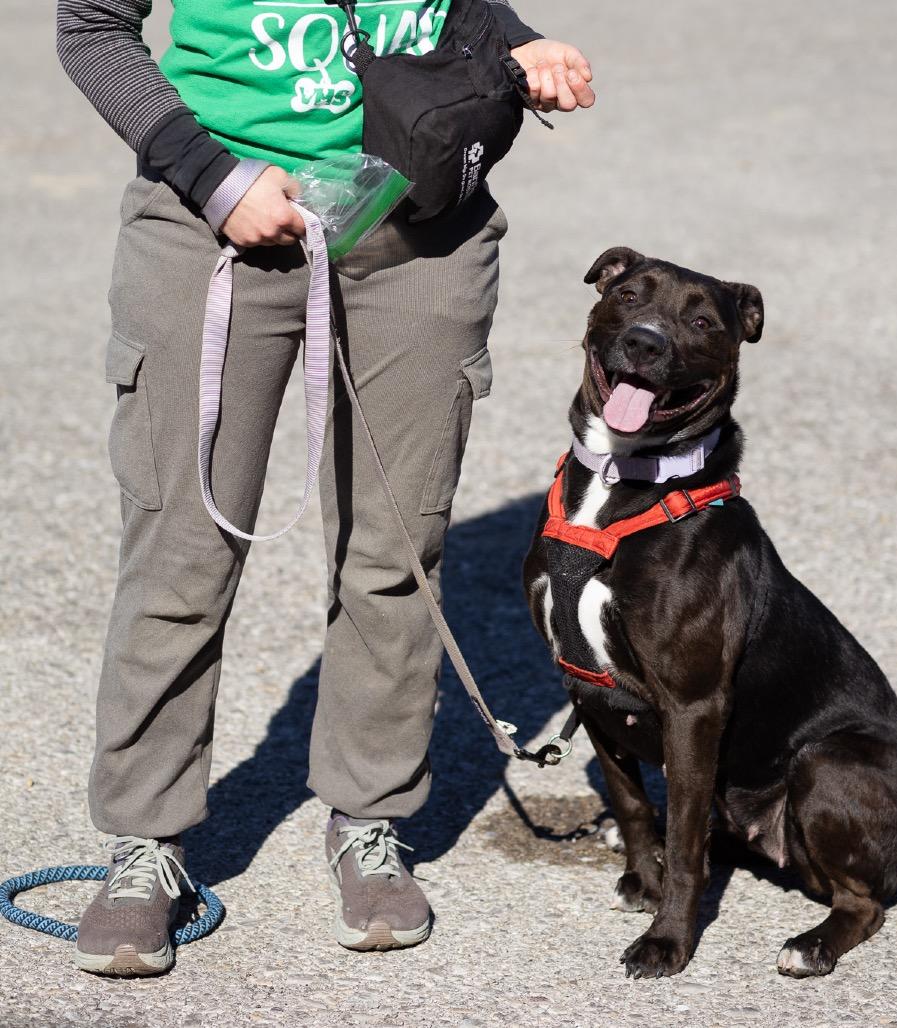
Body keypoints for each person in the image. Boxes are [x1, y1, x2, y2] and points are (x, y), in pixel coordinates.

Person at [56, 0, 595, 977]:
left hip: (419, 237)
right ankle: (146, 840)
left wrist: (524, 49)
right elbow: (93, 26)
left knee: (395, 556)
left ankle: (370, 818)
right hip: (212, 227)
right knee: (182, 548)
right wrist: (211, 175)